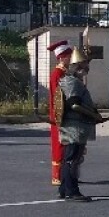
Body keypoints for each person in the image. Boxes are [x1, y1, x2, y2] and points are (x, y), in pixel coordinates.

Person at [57, 48, 109, 202]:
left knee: (70, 158)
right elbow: (74, 105)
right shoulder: (72, 82)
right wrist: (94, 115)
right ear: (77, 66)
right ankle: (71, 191)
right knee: (72, 159)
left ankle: (64, 189)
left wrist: (98, 117)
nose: (87, 67)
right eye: (84, 64)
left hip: (75, 127)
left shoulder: (71, 81)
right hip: (74, 128)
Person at [47, 39, 73, 186]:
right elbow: (60, 96)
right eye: (69, 57)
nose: (71, 59)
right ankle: (58, 175)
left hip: (63, 113)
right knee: (60, 145)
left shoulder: (64, 73)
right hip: (59, 114)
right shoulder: (57, 74)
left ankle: (67, 174)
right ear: (62, 57)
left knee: (66, 144)